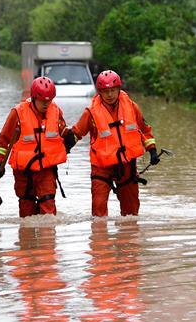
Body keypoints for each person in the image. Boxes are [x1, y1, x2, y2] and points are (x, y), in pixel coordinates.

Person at [64, 70, 159, 217]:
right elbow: (77, 133)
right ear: (99, 92)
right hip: (101, 167)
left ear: (119, 89)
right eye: (105, 91)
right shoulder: (91, 112)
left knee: (131, 213)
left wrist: (152, 150)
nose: (110, 95)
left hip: (126, 164)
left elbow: (144, 131)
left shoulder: (132, 107)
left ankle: (128, 238)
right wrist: (63, 149)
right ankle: (100, 238)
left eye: (113, 90)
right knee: (99, 211)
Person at [0, 76, 74, 217]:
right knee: (26, 213)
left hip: (47, 170)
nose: (46, 104)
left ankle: (47, 237)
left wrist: (70, 135)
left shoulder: (56, 111)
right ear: (34, 97)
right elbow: (3, 140)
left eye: (49, 100)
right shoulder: (18, 113)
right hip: (24, 172)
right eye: (42, 100)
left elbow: (62, 131)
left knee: (48, 210)